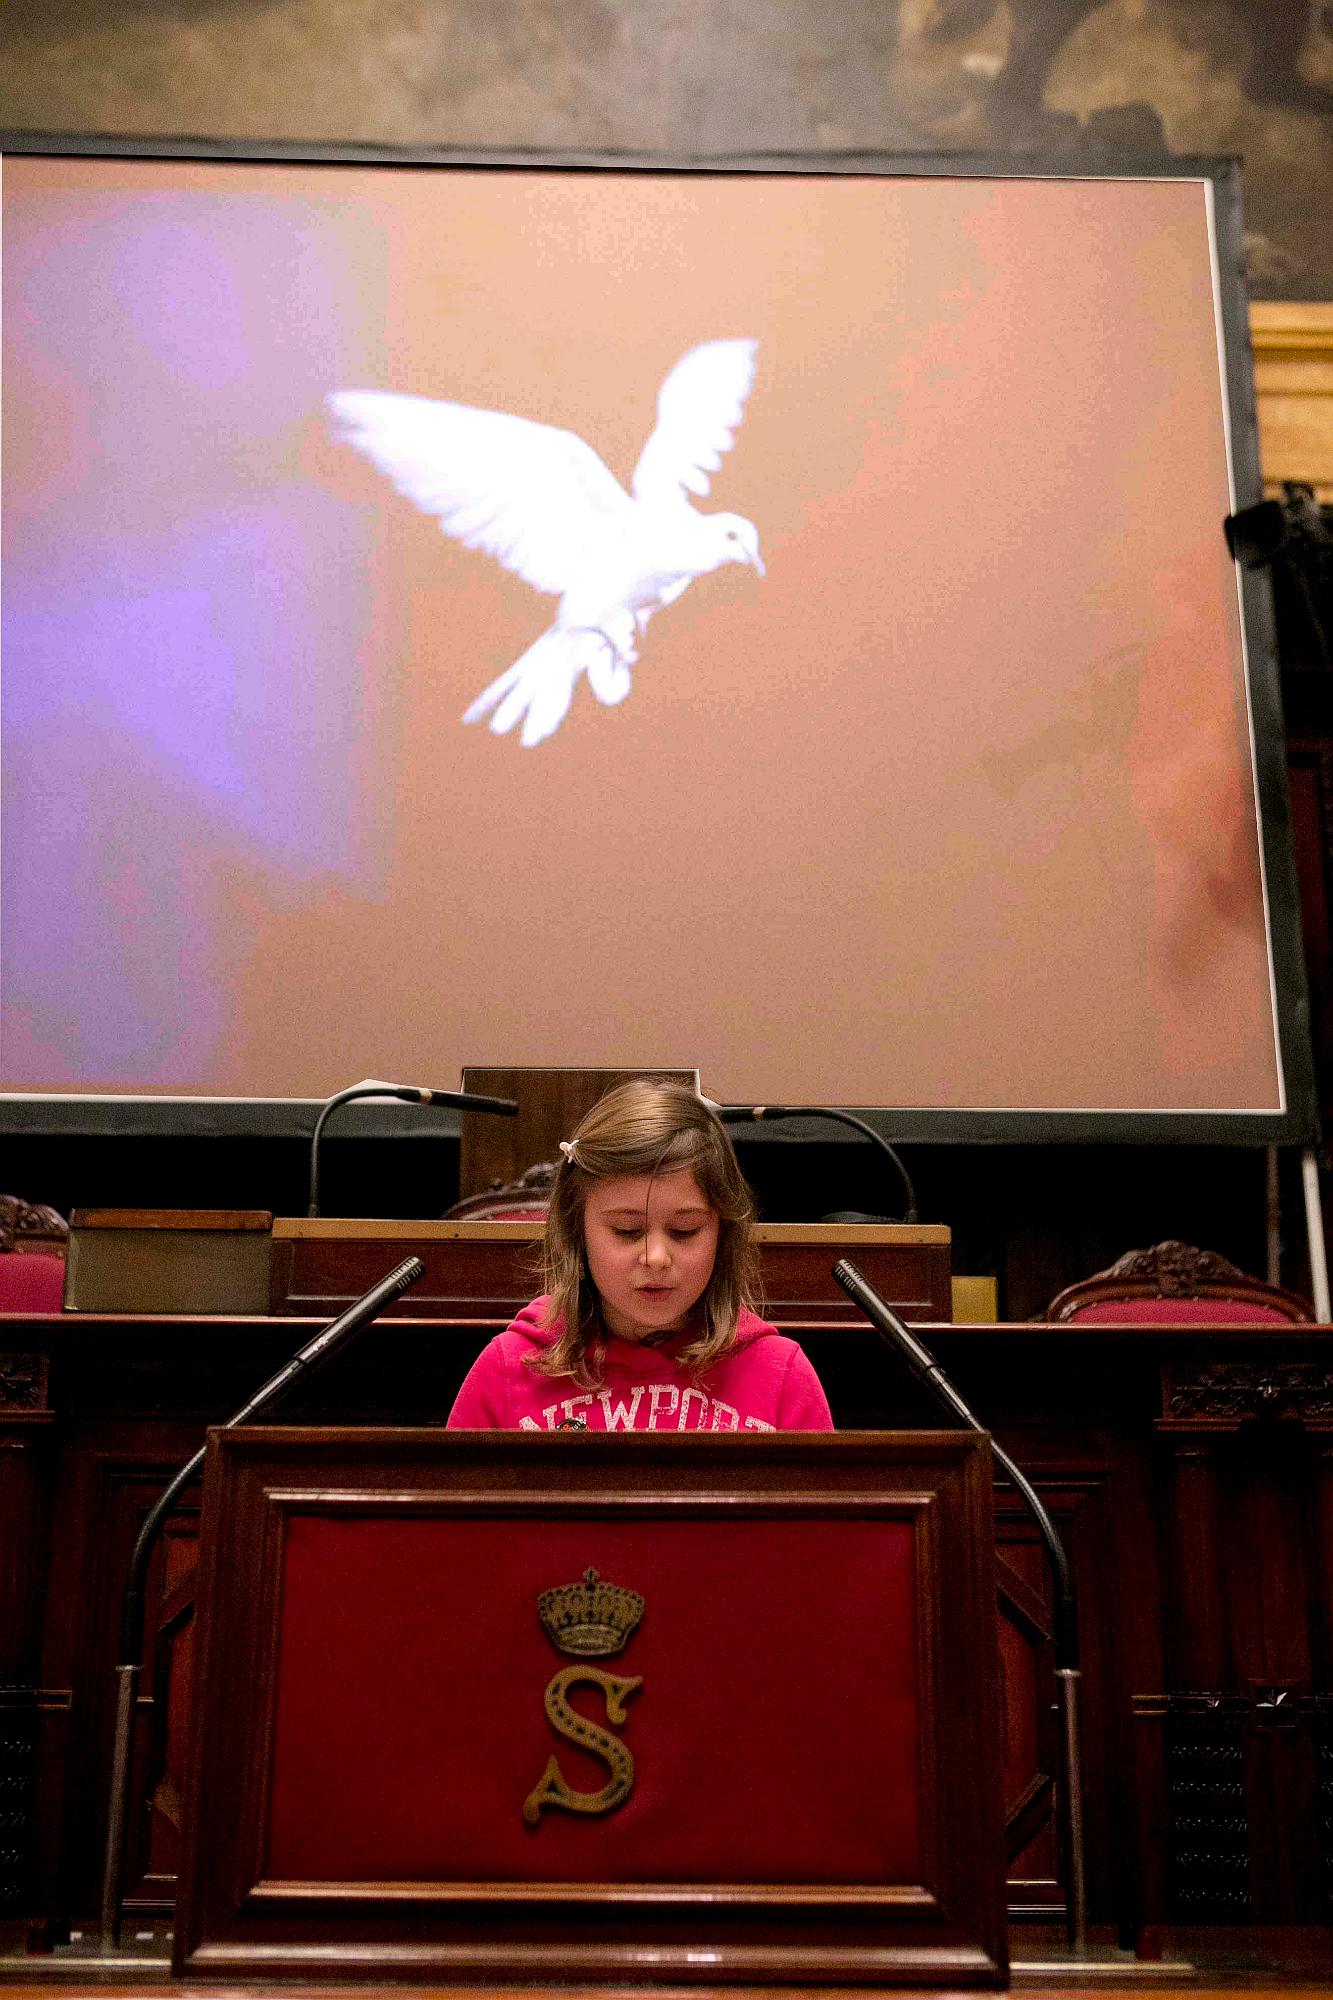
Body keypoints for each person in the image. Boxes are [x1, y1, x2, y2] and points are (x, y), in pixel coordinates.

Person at [447, 1079, 833, 1432]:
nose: (656, 1257)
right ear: (577, 1232)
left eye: (684, 1232)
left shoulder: (781, 1374)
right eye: (627, 1231)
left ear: (723, 1234)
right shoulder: (509, 1368)